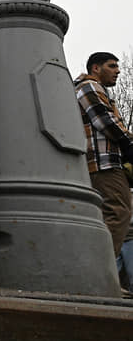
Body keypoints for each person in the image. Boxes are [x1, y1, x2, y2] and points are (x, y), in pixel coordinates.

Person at [74, 52, 133, 257]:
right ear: (96, 68)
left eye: (118, 67)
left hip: (102, 162)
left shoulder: (97, 90)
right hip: (104, 163)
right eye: (112, 66)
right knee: (119, 212)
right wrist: (129, 144)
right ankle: (100, 272)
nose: (117, 71)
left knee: (106, 216)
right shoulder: (89, 86)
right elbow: (105, 122)